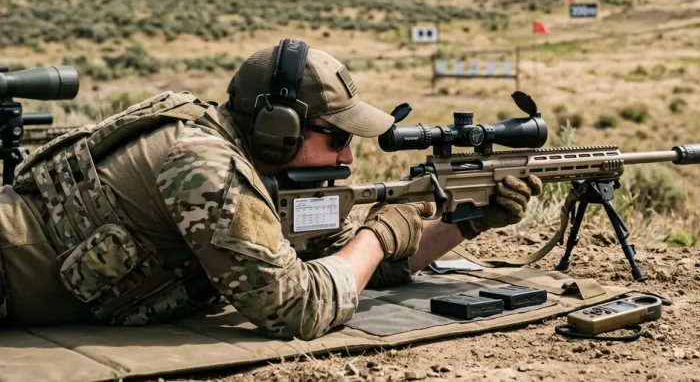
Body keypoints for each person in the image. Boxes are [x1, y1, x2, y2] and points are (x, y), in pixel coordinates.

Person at [0, 39, 542, 340]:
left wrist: (464, 222)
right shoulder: (205, 167)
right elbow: (297, 306)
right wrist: (378, 235)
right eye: (336, 138)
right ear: (276, 130)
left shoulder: (263, 173)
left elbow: (349, 269)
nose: (348, 156)